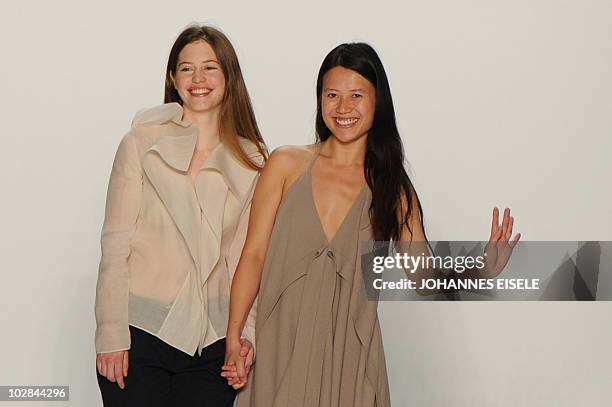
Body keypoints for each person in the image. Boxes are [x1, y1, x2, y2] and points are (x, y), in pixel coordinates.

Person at [222, 43, 520, 406]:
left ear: (378, 101)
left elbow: (422, 278)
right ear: (319, 100)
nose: (343, 107)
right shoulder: (285, 165)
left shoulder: (393, 188)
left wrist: (480, 270)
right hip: (279, 348)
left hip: (350, 359)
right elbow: (253, 255)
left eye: (356, 95)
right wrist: (235, 333)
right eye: (332, 95)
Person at [94, 25, 267, 407]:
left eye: (210, 67)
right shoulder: (141, 142)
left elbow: (248, 259)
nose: (198, 79)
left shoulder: (252, 159)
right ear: (173, 78)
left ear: (228, 77)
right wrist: (110, 333)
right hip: (139, 330)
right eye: (186, 69)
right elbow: (115, 244)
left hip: (214, 341)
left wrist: (246, 336)